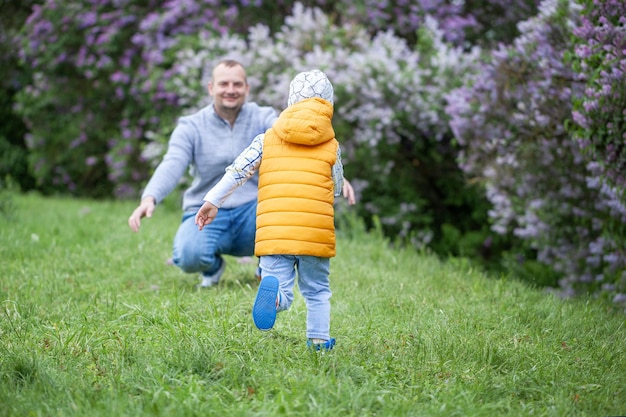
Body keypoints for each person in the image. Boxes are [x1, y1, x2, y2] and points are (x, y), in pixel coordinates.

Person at [128, 59, 355, 289]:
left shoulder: (264, 117)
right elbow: (172, 162)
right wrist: (150, 197)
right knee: (188, 255)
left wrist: (333, 171)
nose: (230, 90)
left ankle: (266, 268)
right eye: (223, 84)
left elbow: (299, 140)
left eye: (237, 84)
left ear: (246, 88)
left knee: (286, 210)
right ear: (211, 88)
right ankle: (214, 268)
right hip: (207, 211)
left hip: (254, 211)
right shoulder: (191, 126)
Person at [196, 69, 345, 350]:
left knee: (281, 286)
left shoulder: (266, 139)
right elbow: (336, 186)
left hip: (275, 233)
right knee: (317, 291)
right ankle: (319, 341)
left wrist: (213, 200)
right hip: (314, 236)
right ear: (328, 105)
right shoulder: (332, 145)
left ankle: (275, 299)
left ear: (290, 101)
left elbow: (238, 170)